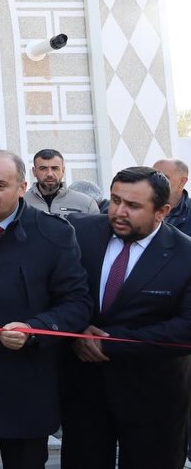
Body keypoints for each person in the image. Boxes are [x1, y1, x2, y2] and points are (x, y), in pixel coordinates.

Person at [0, 151, 91, 469]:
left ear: (23, 187)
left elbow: (77, 303)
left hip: (27, 386)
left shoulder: (54, 233)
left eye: (0, 185)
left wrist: (35, 329)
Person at [60, 166, 191, 469]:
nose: (119, 212)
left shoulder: (185, 255)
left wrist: (109, 344)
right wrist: (77, 330)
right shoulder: (78, 232)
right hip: (84, 393)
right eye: (116, 200)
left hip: (155, 399)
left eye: (132, 205)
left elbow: (186, 329)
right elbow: (57, 290)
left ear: (162, 211)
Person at [24, 149, 99, 217]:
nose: (49, 174)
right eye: (43, 168)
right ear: (34, 172)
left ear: (63, 171)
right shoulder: (21, 202)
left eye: (55, 168)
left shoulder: (86, 204)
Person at [153, 158, 191, 235]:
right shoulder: (141, 205)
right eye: (152, 177)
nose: (155, 182)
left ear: (182, 182)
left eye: (163, 177)